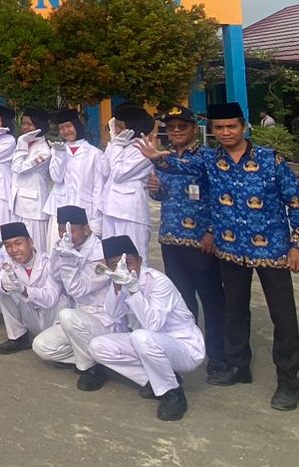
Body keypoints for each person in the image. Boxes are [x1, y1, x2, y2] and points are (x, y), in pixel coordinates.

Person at [139, 101, 299, 411]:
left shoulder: (270, 160)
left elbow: (296, 202)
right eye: (219, 128)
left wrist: (298, 244)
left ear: (243, 127)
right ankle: (238, 366)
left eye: (231, 126)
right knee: (234, 310)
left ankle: (288, 382)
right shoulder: (210, 161)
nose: (225, 132)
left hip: (271, 250)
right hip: (230, 249)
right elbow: (182, 167)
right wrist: (158, 161)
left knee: (283, 317)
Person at [85, 234, 206, 421]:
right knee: (97, 346)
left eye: (128, 263)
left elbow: (153, 324)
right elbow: (113, 313)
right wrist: (117, 286)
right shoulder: (121, 281)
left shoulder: (159, 282)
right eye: (115, 265)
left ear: (140, 261)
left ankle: (173, 394)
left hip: (183, 347)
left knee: (141, 336)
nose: (123, 269)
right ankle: (158, 380)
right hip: (150, 343)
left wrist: (133, 288)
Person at [147, 106, 227, 379]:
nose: (176, 131)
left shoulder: (208, 157)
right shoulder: (165, 158)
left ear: (194, 128)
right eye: (171, 127)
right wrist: (156, 191)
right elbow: (164, 196)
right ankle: (185, 352)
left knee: (212, 300)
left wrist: (212, 231)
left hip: (200, 241)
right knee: (180, 302)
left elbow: (221, 197)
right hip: (171, 238)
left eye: (182, 126)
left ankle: (218, 356)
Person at [28, 205, 116, 387]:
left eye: (72, 231)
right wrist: (59, 251)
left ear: (86, 229)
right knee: (41, 346)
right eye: (61, 231)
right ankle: (98, 358)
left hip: (103, 319)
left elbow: (78, 289)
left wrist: (67, 258)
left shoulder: (102, 253)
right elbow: (55, 275)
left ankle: (90, 368)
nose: (65, 235)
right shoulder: (66, 246)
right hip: (79, 317)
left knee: (66, 315)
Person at [0, 221, 62, 354]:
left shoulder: (49, 262)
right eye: (8, 246)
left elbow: (50, 299)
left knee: (61, 301)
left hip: (53, 318)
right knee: (5, 291)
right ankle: (18, 338)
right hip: (34, 320)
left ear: (30, 242)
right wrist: (4, 285)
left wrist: (23, 289)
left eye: (18, 243)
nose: (14, 250)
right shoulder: (10, 263)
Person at [100, 103, 156, 258]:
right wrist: (113, 143)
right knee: (111, 258)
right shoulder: (120, 145)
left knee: (133, 258)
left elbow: (118, 174)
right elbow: (103, 170)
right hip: (110, 209)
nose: (116, 131)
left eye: (120, 127)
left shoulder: (144, 149)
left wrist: (117, 145)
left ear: (133, 128)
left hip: (131, 212)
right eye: (115, 126)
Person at [48, 110, 106, 230]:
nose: (66, 131)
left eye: (69, 126)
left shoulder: (94, 153)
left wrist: (96, 220)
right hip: (59, 210)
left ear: (77, 125)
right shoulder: (57, 150)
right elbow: (56, 178)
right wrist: (60, 155)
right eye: (61, 128)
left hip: (84, 210)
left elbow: (98, 188)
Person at [10, 106, 54, 248]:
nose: (25, 127)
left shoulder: (44, 151)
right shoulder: (26, 144)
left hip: (34, 209)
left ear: (39, 126)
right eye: (23, 123)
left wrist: (22, 143)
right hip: (20, 204)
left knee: (35, 247)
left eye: (30, 124)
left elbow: (18, 168)